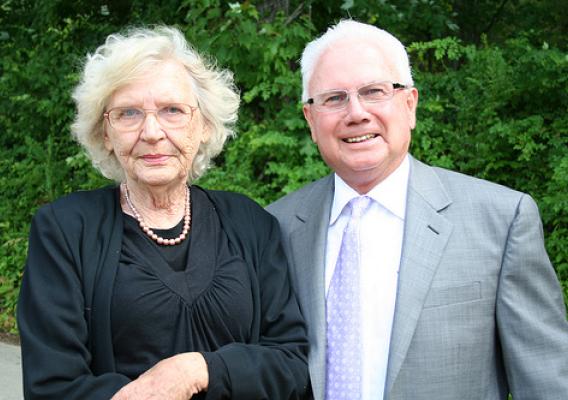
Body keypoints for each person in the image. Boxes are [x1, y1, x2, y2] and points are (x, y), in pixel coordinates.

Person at [267, 19, 568, 400]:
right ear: (311, 119)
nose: (356, 112)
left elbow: (546, 383)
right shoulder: (274, 227)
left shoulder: (502, 220)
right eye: (334, 98)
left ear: (409, 104)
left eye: (374, 91)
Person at [18, 26, 309, 400]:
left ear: (204, 126)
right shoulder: (64, 230)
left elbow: (291, 362)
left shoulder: (251, 223)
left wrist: (198, 370)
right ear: (106, 133)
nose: (152, 131)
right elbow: (52, 387)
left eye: (172, 110)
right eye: (128, 113)